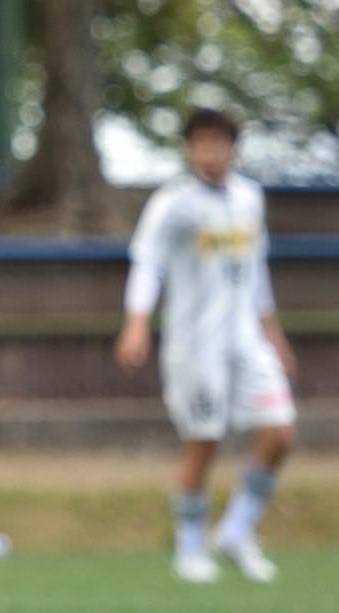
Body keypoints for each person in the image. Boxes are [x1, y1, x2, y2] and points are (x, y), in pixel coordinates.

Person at [116, 107, 297, 586]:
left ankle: (236, 532)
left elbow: (255, 270)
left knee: (281, 434)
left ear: (233, 149)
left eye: (217, 143)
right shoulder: (173, 204)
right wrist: (136, 323)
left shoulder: (250, 198)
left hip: (247, 340)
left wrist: (273, 333)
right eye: (199, 144)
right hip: (196, 346)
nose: (208, 153)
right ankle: (190, 548)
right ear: (188, 149)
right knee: (204, 442)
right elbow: (148, 263)